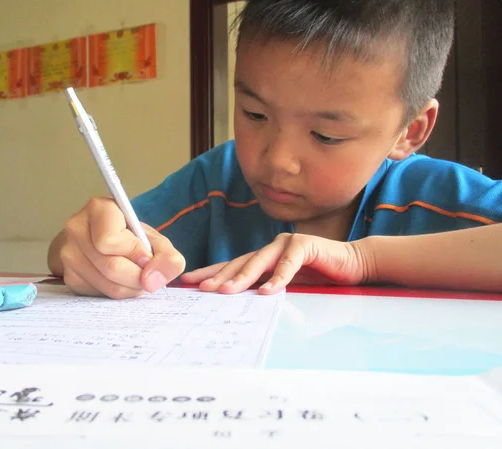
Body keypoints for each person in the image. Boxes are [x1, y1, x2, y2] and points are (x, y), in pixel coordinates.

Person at [47, 0, 502, 299]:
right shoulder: (216, 184)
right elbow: (82, 249)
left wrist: (364, 259)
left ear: (411, 130)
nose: (277, 160)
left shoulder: (444, 197)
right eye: (255, 115)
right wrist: (86, 247)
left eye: (326, 136)